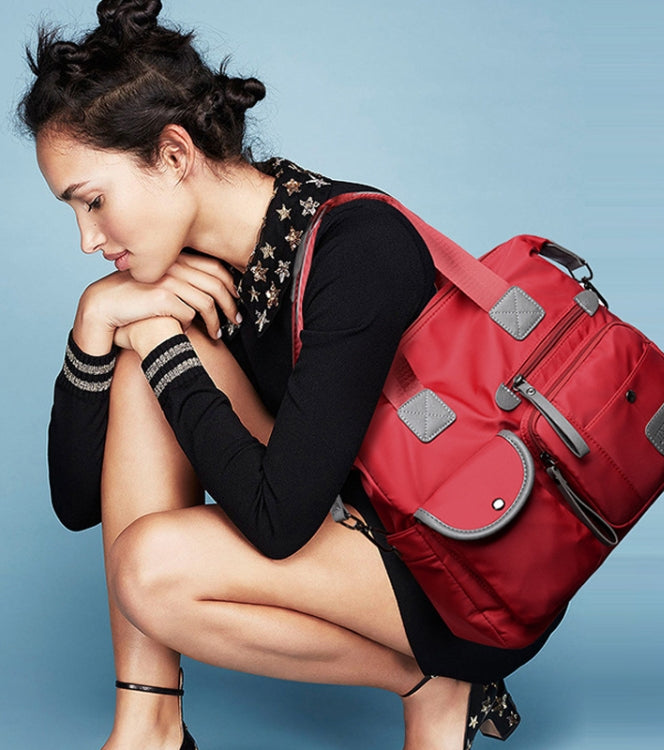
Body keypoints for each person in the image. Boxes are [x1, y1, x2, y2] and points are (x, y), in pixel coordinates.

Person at [20, 1, 563, 748]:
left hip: (460, 574)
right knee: (149, 370)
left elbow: (276, 525)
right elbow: (79, 503)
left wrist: (162, 341)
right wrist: (93, 325)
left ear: (173, 156)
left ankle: (435, 680)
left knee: (151, 563)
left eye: (94, 202)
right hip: (348, 534)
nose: (88, 239)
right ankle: (149, 727)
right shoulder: (199, 270)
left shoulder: (358, 247)